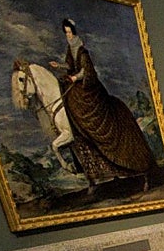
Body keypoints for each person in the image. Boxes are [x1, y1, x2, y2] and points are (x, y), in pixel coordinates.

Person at [49, 18, 156, 186]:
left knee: (78, 101)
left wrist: (74, 77)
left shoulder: (83, 51)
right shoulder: (70, 50)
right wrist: (59, 66)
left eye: (69, 32)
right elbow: (70, 66)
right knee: (67, 92)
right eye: (66, 33)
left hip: (89, 89)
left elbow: (87, 71)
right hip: (77, 85)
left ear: (74, 32)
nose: (68, 35)